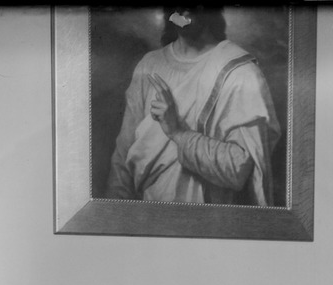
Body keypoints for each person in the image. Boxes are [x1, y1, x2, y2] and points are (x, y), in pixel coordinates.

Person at [105, 6, 281, 205]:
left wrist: (178, 133)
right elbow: (123, 158)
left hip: (210, 223)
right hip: (149, 219)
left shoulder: (240, 73)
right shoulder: (149, 66)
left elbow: (238, 170)